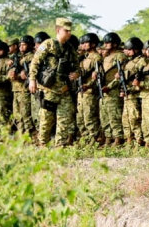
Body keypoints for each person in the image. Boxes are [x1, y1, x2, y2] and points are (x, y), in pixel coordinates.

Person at [29, 17, 80, 146]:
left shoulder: (70, 48)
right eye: (66, 30)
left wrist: (77, 74)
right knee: (46, 120)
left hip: (64, 90)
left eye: (70, 31)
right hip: (49, 90)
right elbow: (35, 62)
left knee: (65, 119)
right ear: (58, 30)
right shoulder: (48, 44)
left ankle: (60, 146)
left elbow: (77, 67)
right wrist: (32, 80)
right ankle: (43, 145)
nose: (69, 33)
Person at [98, 32, 128, 146]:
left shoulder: (120, 56)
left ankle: (118, 138)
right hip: (104, 90)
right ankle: (108, 137)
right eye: (105, 42)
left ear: (115, 44)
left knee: (114, 115)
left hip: (113, 90)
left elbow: (120, 75)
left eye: (108, 42)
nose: (105, 44)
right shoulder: (106, 57)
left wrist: (110, 86)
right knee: (105, 116)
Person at [77, 33, 104, 145]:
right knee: (80, 118)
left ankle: (94, 139)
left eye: (85, 43)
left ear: (93, 44)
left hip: (89, 92)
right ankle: (85, 139)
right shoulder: (84, 57)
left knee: (90, 117)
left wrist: (89, 84)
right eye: (82, 43)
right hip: (81, 92)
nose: (83, 45)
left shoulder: (96, 58)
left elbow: (98, 75)